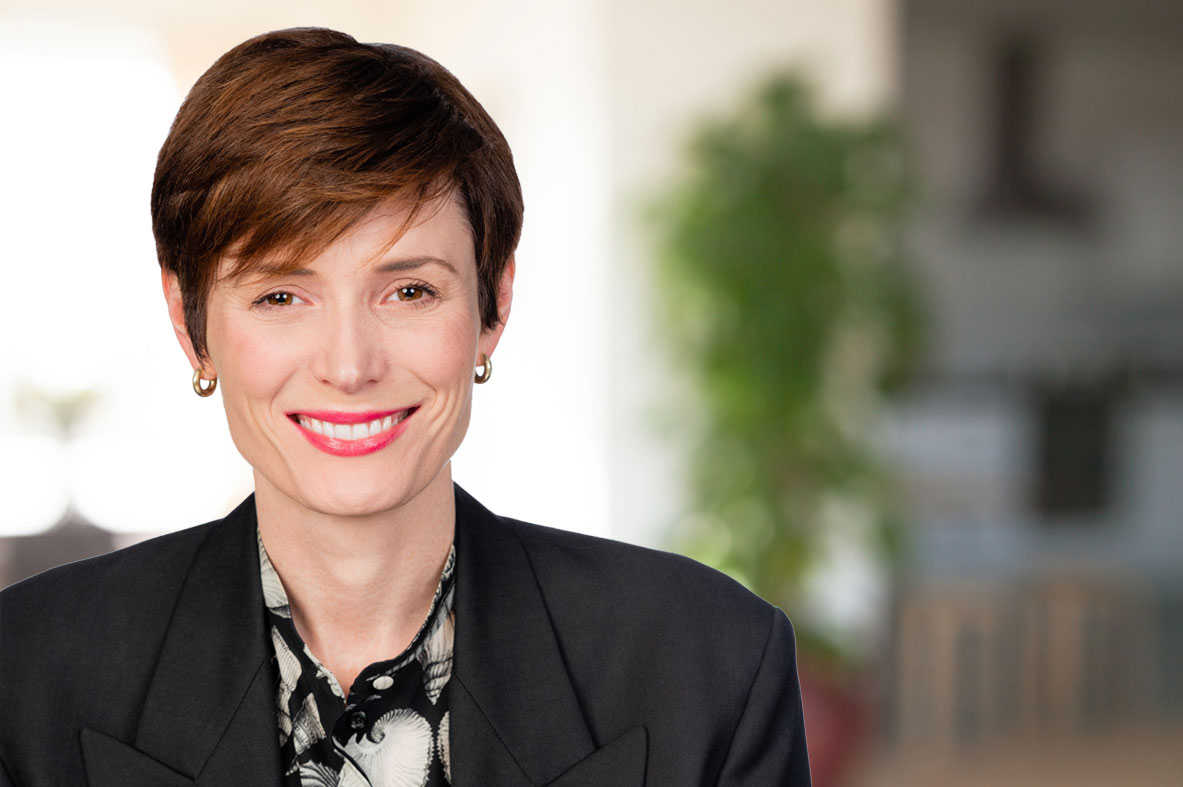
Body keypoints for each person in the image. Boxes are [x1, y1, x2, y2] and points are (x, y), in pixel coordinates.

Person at [0, 27, 810, 787]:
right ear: (190, 323)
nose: (350, 365)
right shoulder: (25, 671)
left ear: (493, 304)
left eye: (410, 290)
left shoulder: (711, 660)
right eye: (281, 295)